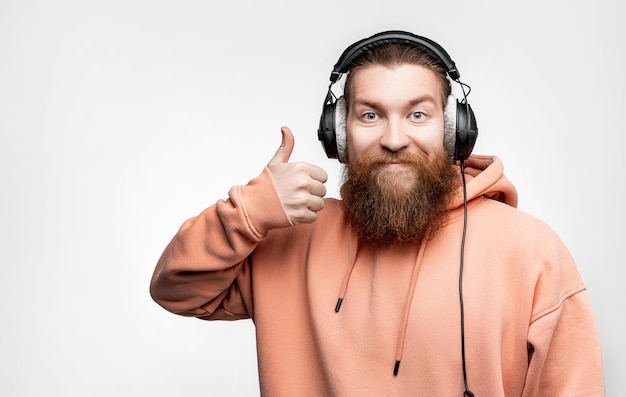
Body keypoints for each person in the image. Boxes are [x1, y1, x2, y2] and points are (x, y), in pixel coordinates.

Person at [150, 31, 604, 396]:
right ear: (338, 135)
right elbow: (177, 291)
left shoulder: (531, 251)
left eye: (418, 115)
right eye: (370, 116)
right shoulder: (292, 238)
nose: (393, 138)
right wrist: (248, 211)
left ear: (453, 130)